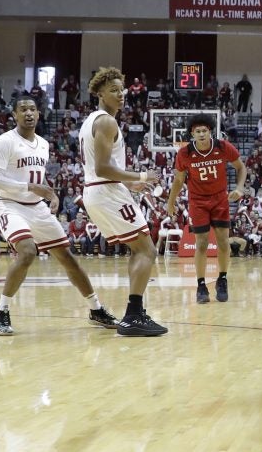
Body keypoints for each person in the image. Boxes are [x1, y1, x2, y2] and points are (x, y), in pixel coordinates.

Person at [0, 95, 119, 335]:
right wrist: (30, 187)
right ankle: (1, 310)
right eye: (23, 109)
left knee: (67, 257)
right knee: (27, 251)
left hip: (37, 205)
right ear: (14, 115)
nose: (28, 113)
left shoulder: (43, 144)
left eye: (33, 109)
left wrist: (52, 194)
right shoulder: (4, 142)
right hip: (9, 204)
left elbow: (37, 178)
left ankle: (96, 309)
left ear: (39, 114)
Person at [79, 66, 167, 336]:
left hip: (98, 190)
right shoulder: (106, 121)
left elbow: (100, 167)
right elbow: (104, 167)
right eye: (113, 90)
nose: (120, 94)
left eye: (122, 89)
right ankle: (134, 316)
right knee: (147, 250)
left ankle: (135, 313)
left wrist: (131, 183)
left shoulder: (91, 120)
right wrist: (141, 174)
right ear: (100, 93)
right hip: (106, 191)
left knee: (139, 249)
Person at [166, 113, 247, 303]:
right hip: (198, 201)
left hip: (220, 199)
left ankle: (223, 279)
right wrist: (170, 202)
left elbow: (241, 167)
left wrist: (240, 188)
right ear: (192, 134)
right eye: (197, 131)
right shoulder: (184, 153)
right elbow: (179, 181)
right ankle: (201, 285)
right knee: (201, 243)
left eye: (204, 131)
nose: (201, 134)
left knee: (223, 242)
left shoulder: (222, 146)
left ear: (210, 132)